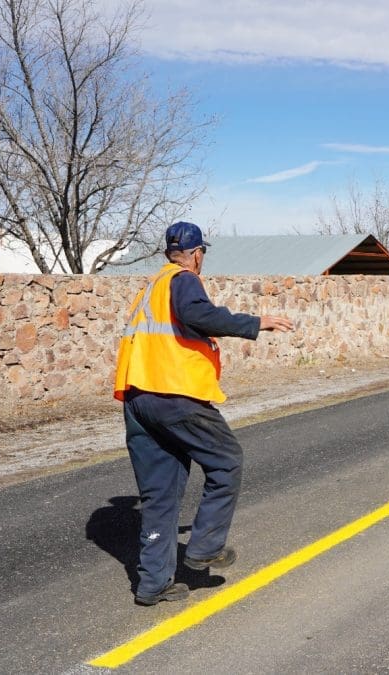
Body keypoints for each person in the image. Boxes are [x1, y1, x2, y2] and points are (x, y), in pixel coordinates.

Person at [114, 221, 294, 606]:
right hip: (175, 395)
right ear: (197, 254)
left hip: (138, 399)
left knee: (160, 494)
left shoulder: (152, 287)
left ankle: (152, 585)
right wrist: (255, 322)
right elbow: (200, 315)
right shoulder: (184, 280)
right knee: (227, 460)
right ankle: (204, 549)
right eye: (202, 255)